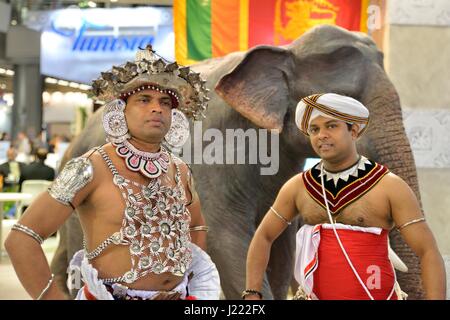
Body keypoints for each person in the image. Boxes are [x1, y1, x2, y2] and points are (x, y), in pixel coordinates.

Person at [4, 45, 220, 300]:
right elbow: (21, 239)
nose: (157, 108)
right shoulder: (90, 166)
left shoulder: (181, 170)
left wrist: (186, 280)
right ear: (121, 110)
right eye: (143, 99)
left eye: (165, 102)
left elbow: (196, 225)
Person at [243, 93, 446, 300]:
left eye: (331, 126)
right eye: (314, 129)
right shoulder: (298, 187)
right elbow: (264, 236)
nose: (321, 135)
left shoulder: (389, 186)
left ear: (354, 130)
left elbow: (427, 251)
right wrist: (252, 292)